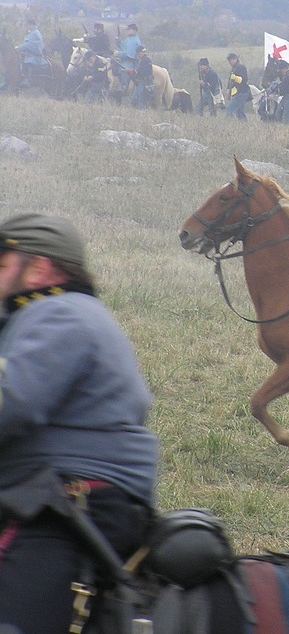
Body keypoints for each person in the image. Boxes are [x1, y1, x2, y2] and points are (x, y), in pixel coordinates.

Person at [0, 213, 158, 632]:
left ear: (38, 268)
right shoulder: (36, 316)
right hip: (51, 496)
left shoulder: (61, 314)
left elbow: (10, 404)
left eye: (2, 264)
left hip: (73, 505)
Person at [16, 18, 47, 87]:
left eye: (28, 25)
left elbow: (30, 45)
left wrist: (20, 48)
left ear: (32, 25)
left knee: (29, 61)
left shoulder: (35, 33)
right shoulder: (31, 33)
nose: (27, 27)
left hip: (35, 55)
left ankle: (28, 79)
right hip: (29, 54)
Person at [225, 52, 251, 119]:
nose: (229, 62)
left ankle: (228, 125)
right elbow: (230, 80)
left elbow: (244, 79)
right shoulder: (234, 68)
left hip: (241, 92)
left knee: (229, 110)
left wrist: (235, 78)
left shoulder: (240, 67)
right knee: (240, 113)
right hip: (239, 92)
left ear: (235, 59)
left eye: (230, 60)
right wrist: (228, 89)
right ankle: (244, 126)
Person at [117, 23, 143, 89]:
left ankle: (124, 88)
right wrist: (118, 41)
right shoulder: (128, 39)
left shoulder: (134, 40)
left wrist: (118, 53)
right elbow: (122, 47)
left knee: (123, 71)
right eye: (127, 30)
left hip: (130, 63)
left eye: (129, 29)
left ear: (134, 30)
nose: (128, 31)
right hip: (123, 61)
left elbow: (129, 54)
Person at [275, 60, 289, 124]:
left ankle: (287, 128)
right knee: (278, 112)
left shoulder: (288, 77)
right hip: (287, 96)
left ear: (285, 68)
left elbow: (284, 89)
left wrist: (277, 90)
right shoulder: (288, 76)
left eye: (281, 69)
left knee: (287, 115)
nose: (281, 71)